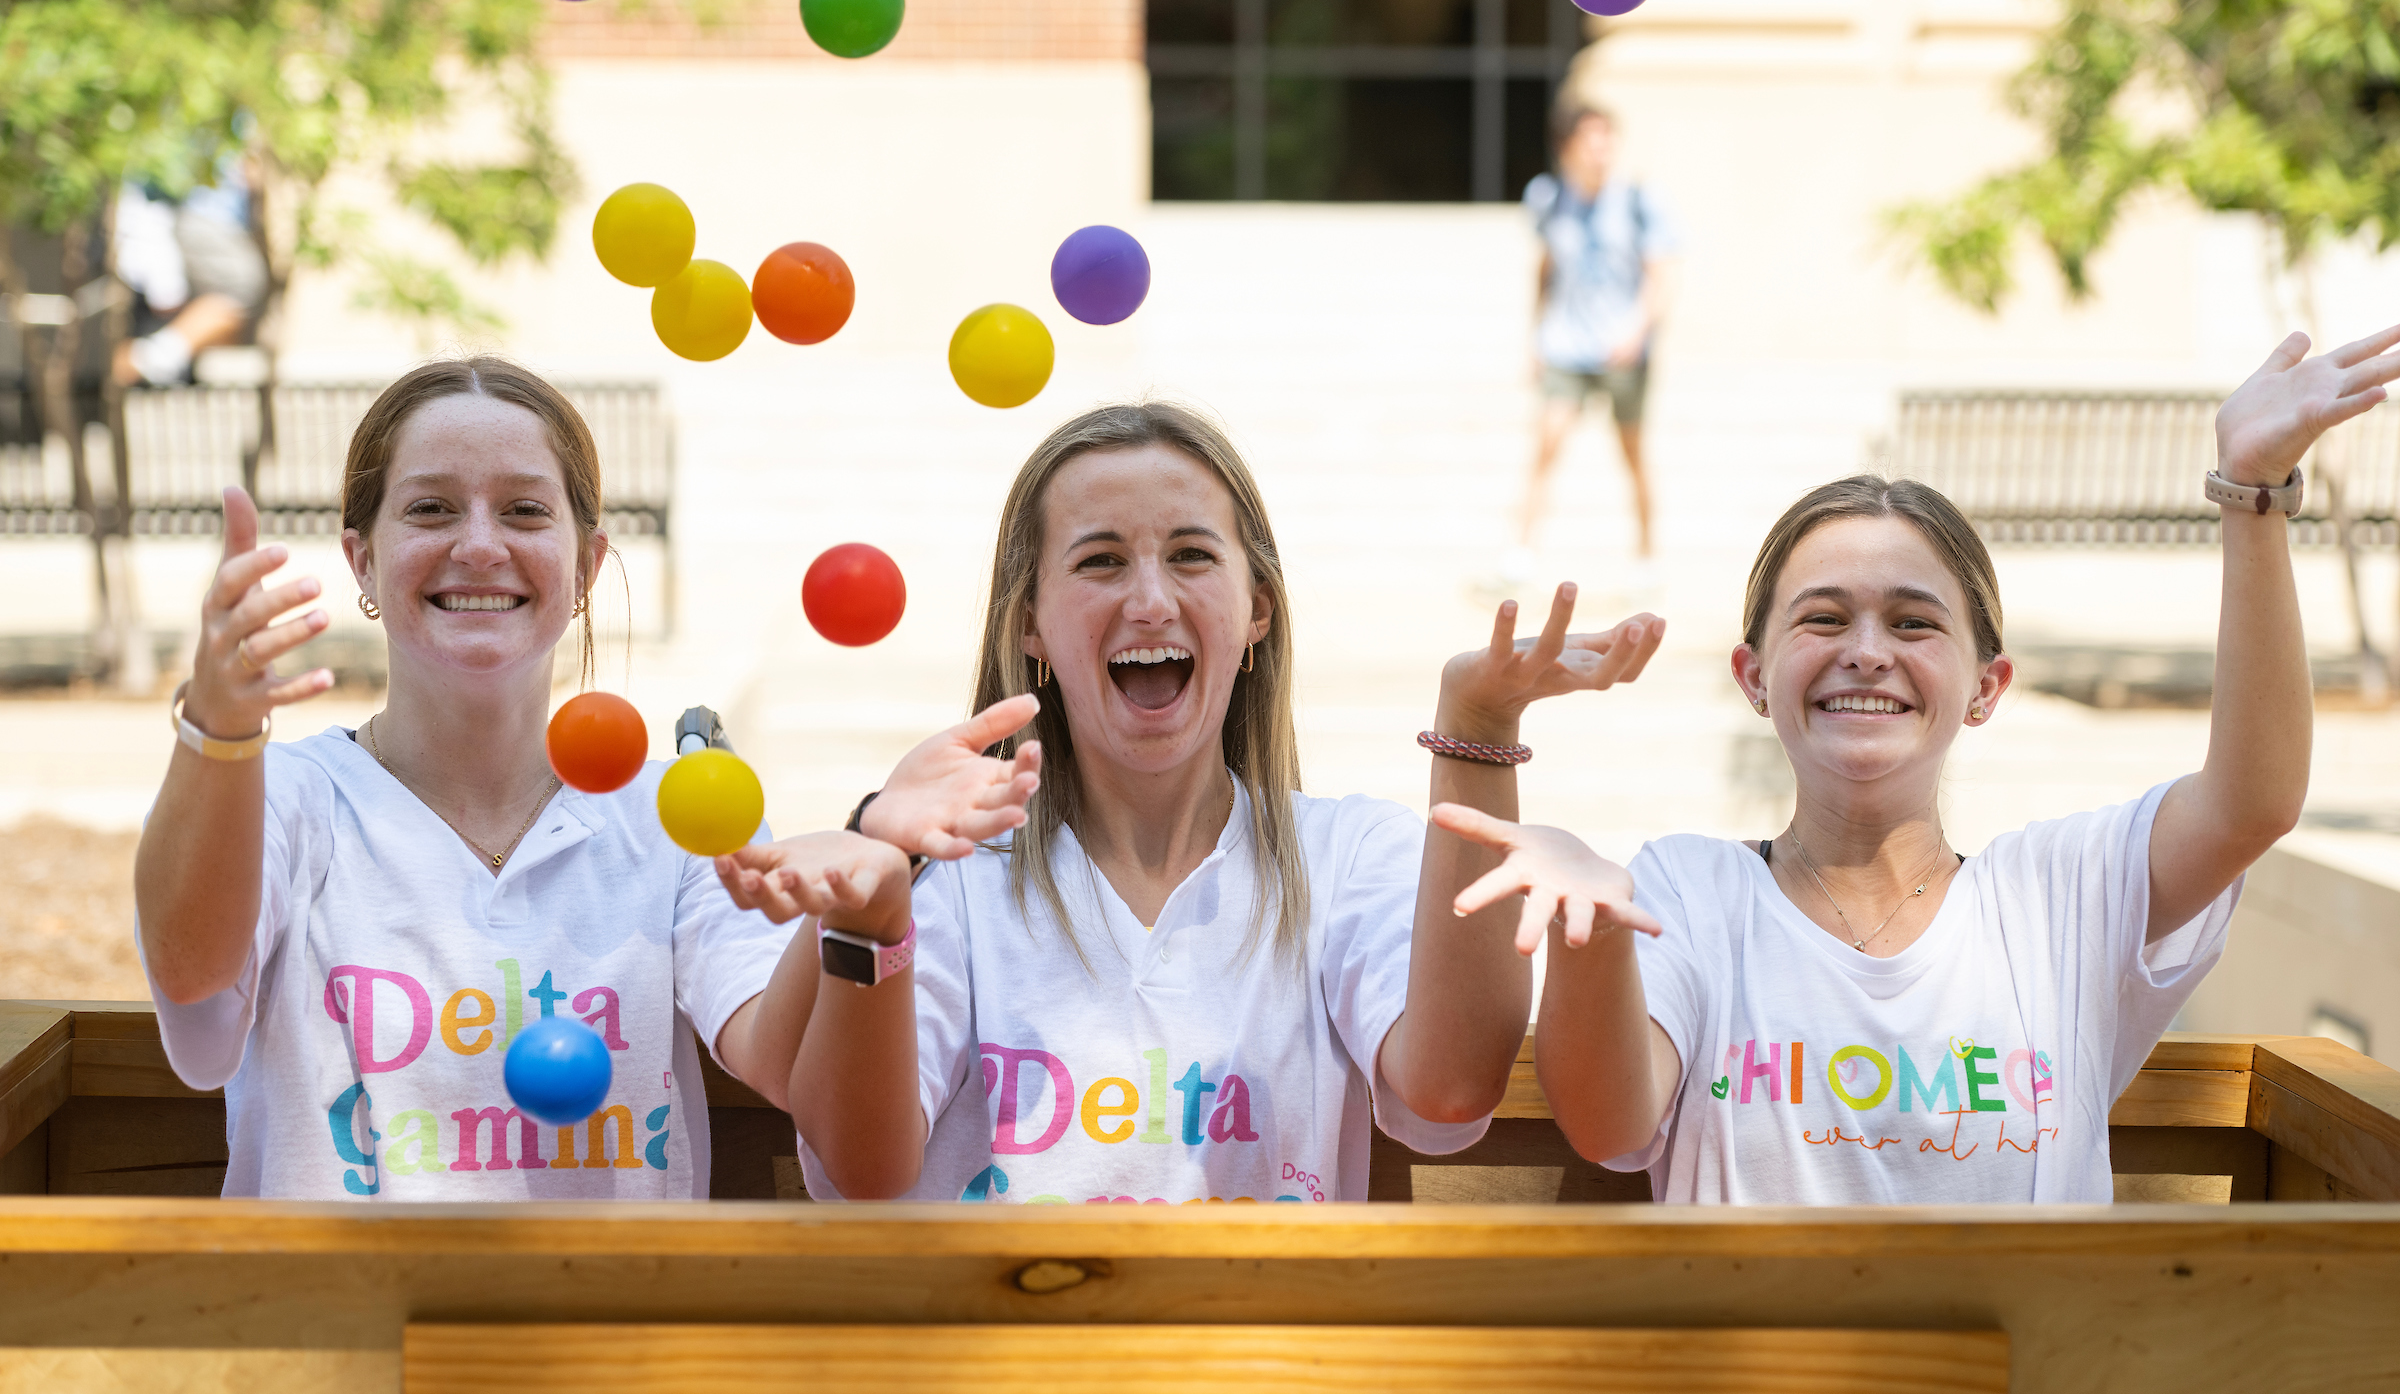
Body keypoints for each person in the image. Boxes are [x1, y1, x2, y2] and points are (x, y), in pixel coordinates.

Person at [1433, 325, 2400, 1203]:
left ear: (1987, 685)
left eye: (1913, 621)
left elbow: (2254, 803)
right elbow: (1613, 1128)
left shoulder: (2061, 896)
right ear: (1753, 676)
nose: (1866, 650)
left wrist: (2253, 496)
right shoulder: (1689, 891)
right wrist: (1591, 931)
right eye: (1822, 616)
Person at [720, 401, 1664, 1202]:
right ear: (1030, 627)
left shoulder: (1345, 856)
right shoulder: (948, 860)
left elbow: (1453, 1086)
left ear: (1258, 612)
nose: (1150, 600)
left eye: (1191, 556)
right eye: (1098, 562)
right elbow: (860, 1167)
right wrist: (873, 914)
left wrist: (1481, 724)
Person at [132, 355, 1021, 1199]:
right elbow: (195, 1000)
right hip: (340, 1346)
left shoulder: (677, 810)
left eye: (523, 511)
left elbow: (780, 1059)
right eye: (432, 509)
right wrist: (218, 730)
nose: (479, 546)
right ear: (362, 560)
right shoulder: (286, 797)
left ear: (587, 566)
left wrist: (874, 863)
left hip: (615, 1348)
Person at [1506, 99, 1680, 586]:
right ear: (1567, 147)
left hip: (1623, 350)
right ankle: (1520, 554)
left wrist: (1637, 330)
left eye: (1608, 138)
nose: (1602, 150)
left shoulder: (1639, 200)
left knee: (1632, 453)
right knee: (1546, 445)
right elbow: (1545, 269)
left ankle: (1646, 557)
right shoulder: (1546, 198)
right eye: (1591, 139)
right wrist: (1535, 336)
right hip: (1566, 346)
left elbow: (1662, 275)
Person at [111, 158, 269, 387]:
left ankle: (159, 359)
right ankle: (150, 359)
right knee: (241, 286)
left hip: (206, 219)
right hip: (200, 212)